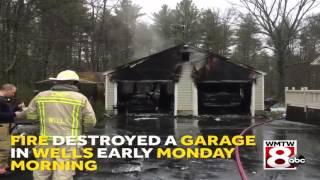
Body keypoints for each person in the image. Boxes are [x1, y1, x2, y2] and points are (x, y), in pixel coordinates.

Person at [26, 70, 97, 180]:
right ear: (74, 83)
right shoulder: (80, 98)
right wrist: (84, 130)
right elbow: (90, 120)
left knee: (42, 169)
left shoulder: (41, 96)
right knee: (63, 172)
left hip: (46, 139)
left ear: (57, 82)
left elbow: (30, 115)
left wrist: (39, 123)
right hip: (70, 141)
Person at [0, 84, 17, 175]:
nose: (13, 94)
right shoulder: (0, 100)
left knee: (5, 146)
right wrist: (14, 114)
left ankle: (4, 165)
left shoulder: (3, 100)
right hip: (2, 126)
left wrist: (15, 110)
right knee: (3, 148)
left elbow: (5, 111)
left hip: (5, 127)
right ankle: (1, 169)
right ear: (8, 90)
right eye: (13, 92)